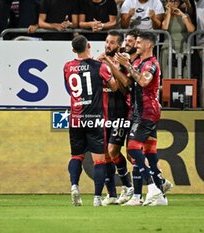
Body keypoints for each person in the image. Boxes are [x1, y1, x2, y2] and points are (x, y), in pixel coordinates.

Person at [64, 35, 119, 206]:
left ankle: (74, 186)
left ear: (73, 50)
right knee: (100, 160)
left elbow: (70, 88)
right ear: (89, 45)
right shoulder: (100, 66)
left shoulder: (67, 66)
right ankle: (96, 198)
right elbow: (115, 86)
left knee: (76, 156)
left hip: (75, 118)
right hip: (94, 117)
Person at [114, 31, 167, 206]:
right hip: (138, 111)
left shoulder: (151, 64)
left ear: (148, 45)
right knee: (150, 154)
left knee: (133, 148)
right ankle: (160, 197)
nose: (136, 44)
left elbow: (144, 82)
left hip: (146, 111)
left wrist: (128, 66)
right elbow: (129, 83)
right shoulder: (138, 62)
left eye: (138, 42)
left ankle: (152, 188)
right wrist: (116, 65)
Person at [97, 30, 134, 206]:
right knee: (105, 155)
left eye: (112, 43)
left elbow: (124, 87)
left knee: (113, 151)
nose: (108, 45)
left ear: (119, 45)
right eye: (107, 41)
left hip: (121, 112)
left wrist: (108, 65)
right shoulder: (102, 62)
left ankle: (128, 186)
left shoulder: (123, 60)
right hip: (105, 113)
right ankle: (111, 194)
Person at [160, 0, 195, 78]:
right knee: (168, 75)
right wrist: (168, 12)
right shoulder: (164, 15)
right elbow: (164, 27)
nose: (174, 3)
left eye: (176, 1)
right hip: (168, 48)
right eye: (171, 1)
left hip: (183, 48)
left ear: (179, 3)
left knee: (184, 76)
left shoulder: (185, 15)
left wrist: (182, 14)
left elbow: (191, 29)